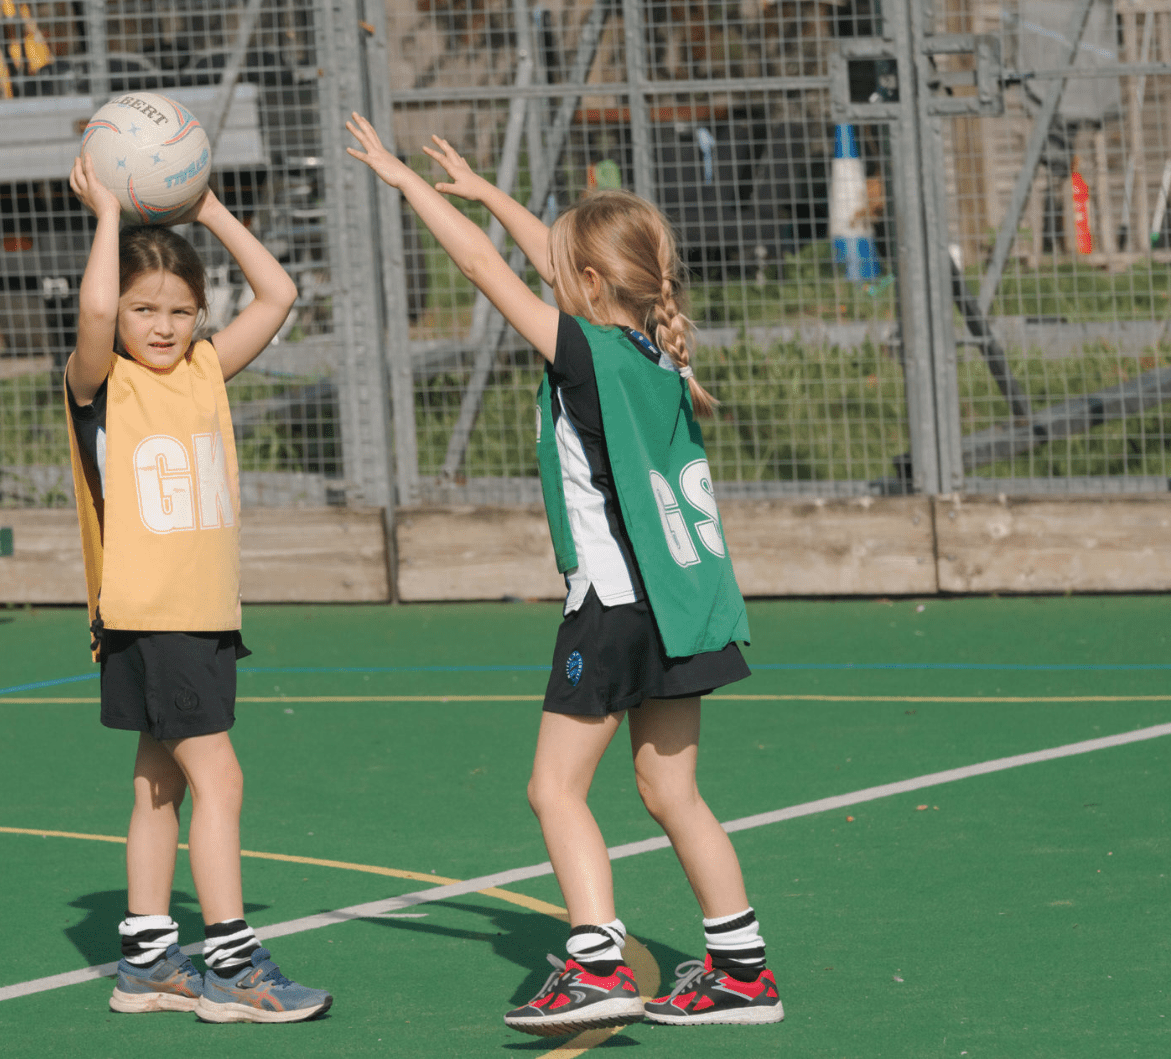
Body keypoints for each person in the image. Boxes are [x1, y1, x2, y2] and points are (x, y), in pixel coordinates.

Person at [345, 115, 782, 1036]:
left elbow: (485, 271)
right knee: (673, 793)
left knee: (555, 790)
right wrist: (487, 192)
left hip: (617, 606)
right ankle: (742, 967)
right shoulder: (655, 352)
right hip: (688, 607)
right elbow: (553, 261)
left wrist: (407, 185)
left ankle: (593, 961)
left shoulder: (581, 356)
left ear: (586, 286)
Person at [64, 152, 331, 1024]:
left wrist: (209, 208)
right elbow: (98, 306)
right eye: (147, 310)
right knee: (221, 779)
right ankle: (232, 961)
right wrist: (110, 211)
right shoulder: (102, 384)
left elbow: (280, 294)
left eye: (181, 310)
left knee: (159, 783)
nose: (163, 324)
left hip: (202, 614)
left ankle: (145, 960)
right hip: (152, 613)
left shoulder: (208, 370)